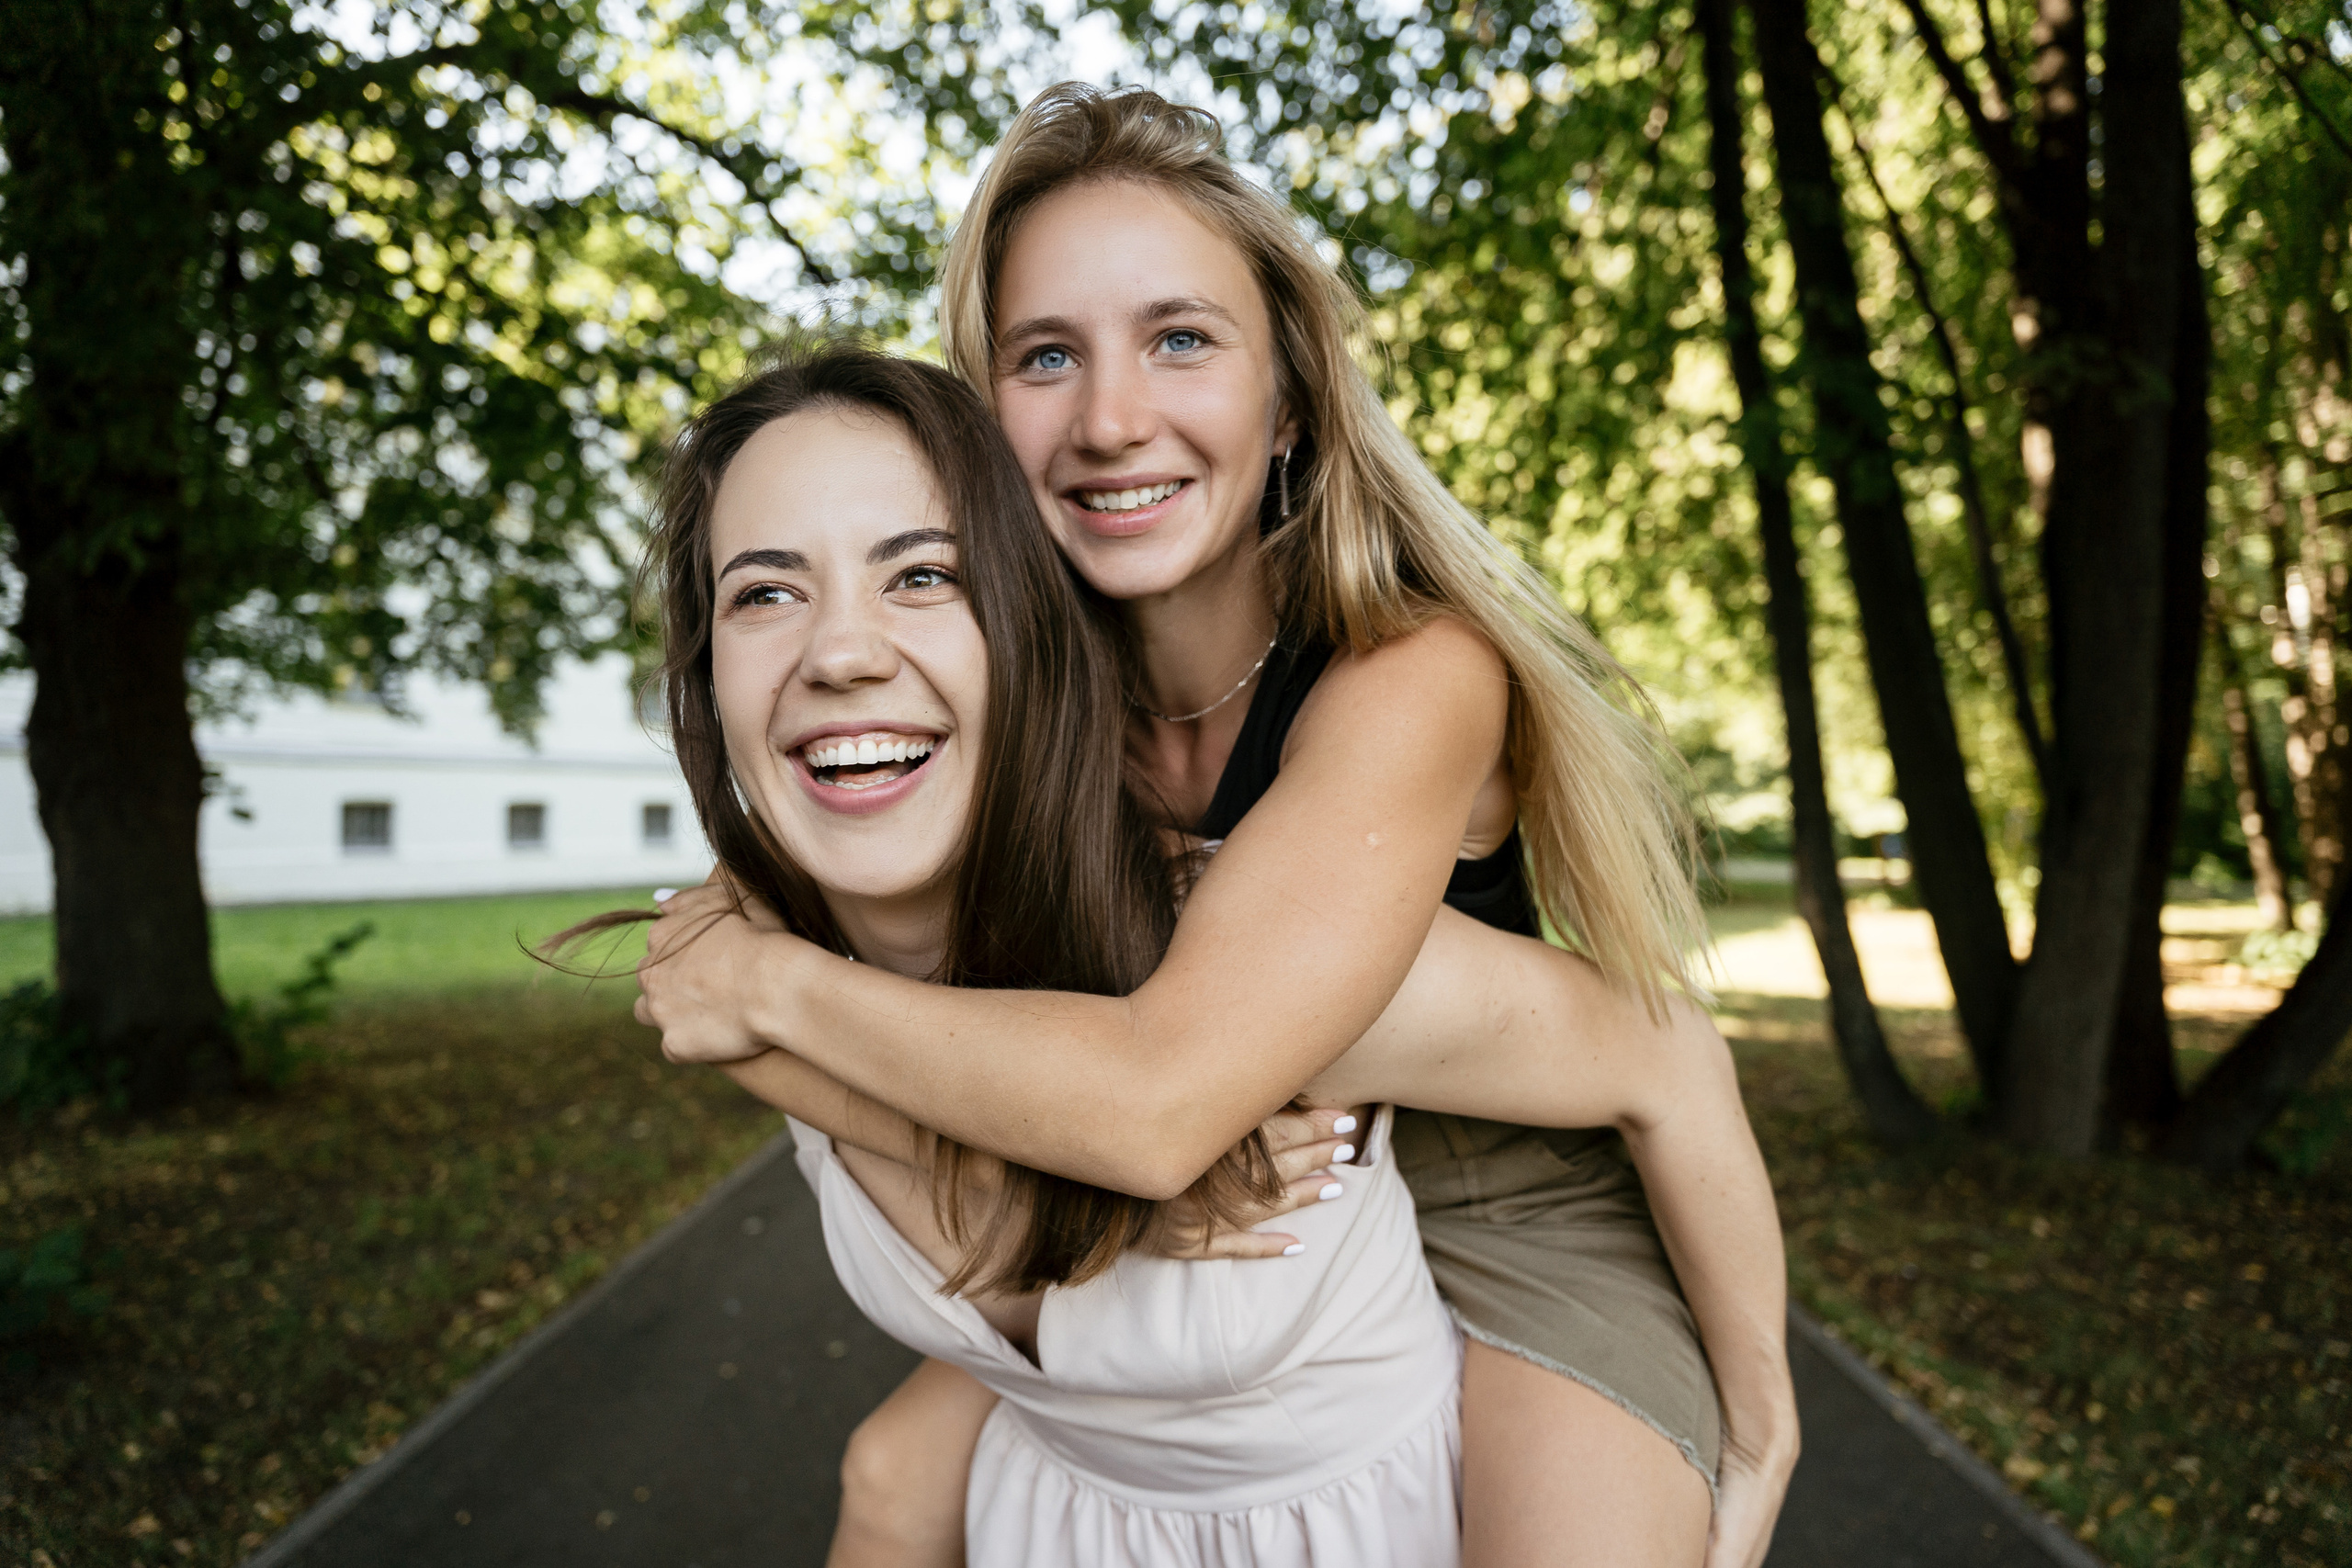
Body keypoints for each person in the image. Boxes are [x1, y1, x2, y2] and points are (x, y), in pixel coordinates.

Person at [641, 85, 1797, 1568]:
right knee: (890, 1483)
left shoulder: (1408, 674)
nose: (1112, 418)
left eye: (1181, 339)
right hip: (1217, 1195)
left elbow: (1154, 1104)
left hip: (1490, 1194)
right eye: (1046, 356)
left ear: (1291, 401)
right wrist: (764, 984)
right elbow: (756, 968)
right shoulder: (1007, 679)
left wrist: (1762, 1418)